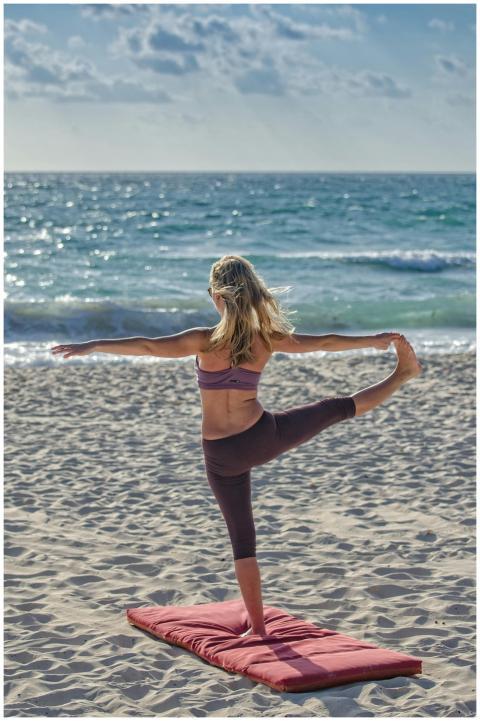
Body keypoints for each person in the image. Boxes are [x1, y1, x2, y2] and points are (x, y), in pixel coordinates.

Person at [51, 254, 422, 638]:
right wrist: (373, 340)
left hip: (221, 456)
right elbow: (324, 342)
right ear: (252, 294)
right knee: (335, 408)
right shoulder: (265, 340)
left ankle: (258, 628)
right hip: (263, 437)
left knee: (242, 541)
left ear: (216, 295)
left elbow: (147, 346)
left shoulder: (202, 340)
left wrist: (93, 344)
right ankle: (401, 375)